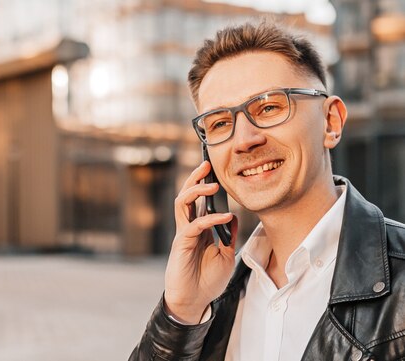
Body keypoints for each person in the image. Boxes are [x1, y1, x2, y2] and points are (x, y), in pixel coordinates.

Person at [130, 20, 405, 361]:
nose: (244, 140)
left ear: (331, 122)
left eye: (269, 107)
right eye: (219, 123)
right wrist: (182, 313)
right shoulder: (212, 299)